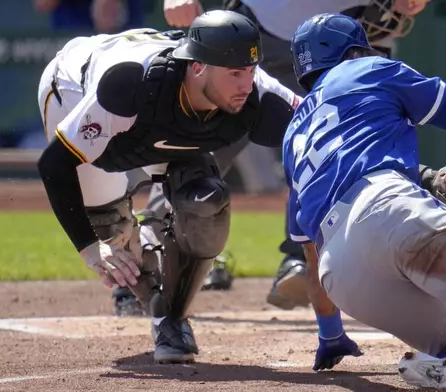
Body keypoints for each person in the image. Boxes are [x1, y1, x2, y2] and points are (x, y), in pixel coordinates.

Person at [282, 13, 446, 390]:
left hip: (339, 274)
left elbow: (309, 255)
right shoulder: (369, 68)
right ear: (356, 49)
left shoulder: (294, 133)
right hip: (383, 204)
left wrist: (330, 334)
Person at [37, 9, 299, 363]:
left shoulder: (258, 93)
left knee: (205, 201)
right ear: (197, 67)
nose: (245, 84)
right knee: (110, 229)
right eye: (235, 73)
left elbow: (317, 132)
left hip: (161, 123)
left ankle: (170, 318)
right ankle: (133, 255)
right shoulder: (129, 86)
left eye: (251, 71)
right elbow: (54, 164)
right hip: (76, 87)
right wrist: (88, 247)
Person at [148, 0, 431, 311]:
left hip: (343, 33)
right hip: (258, 27)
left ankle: (300, 260)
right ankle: (147, 260)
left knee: (333, 145)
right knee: (204, 149)